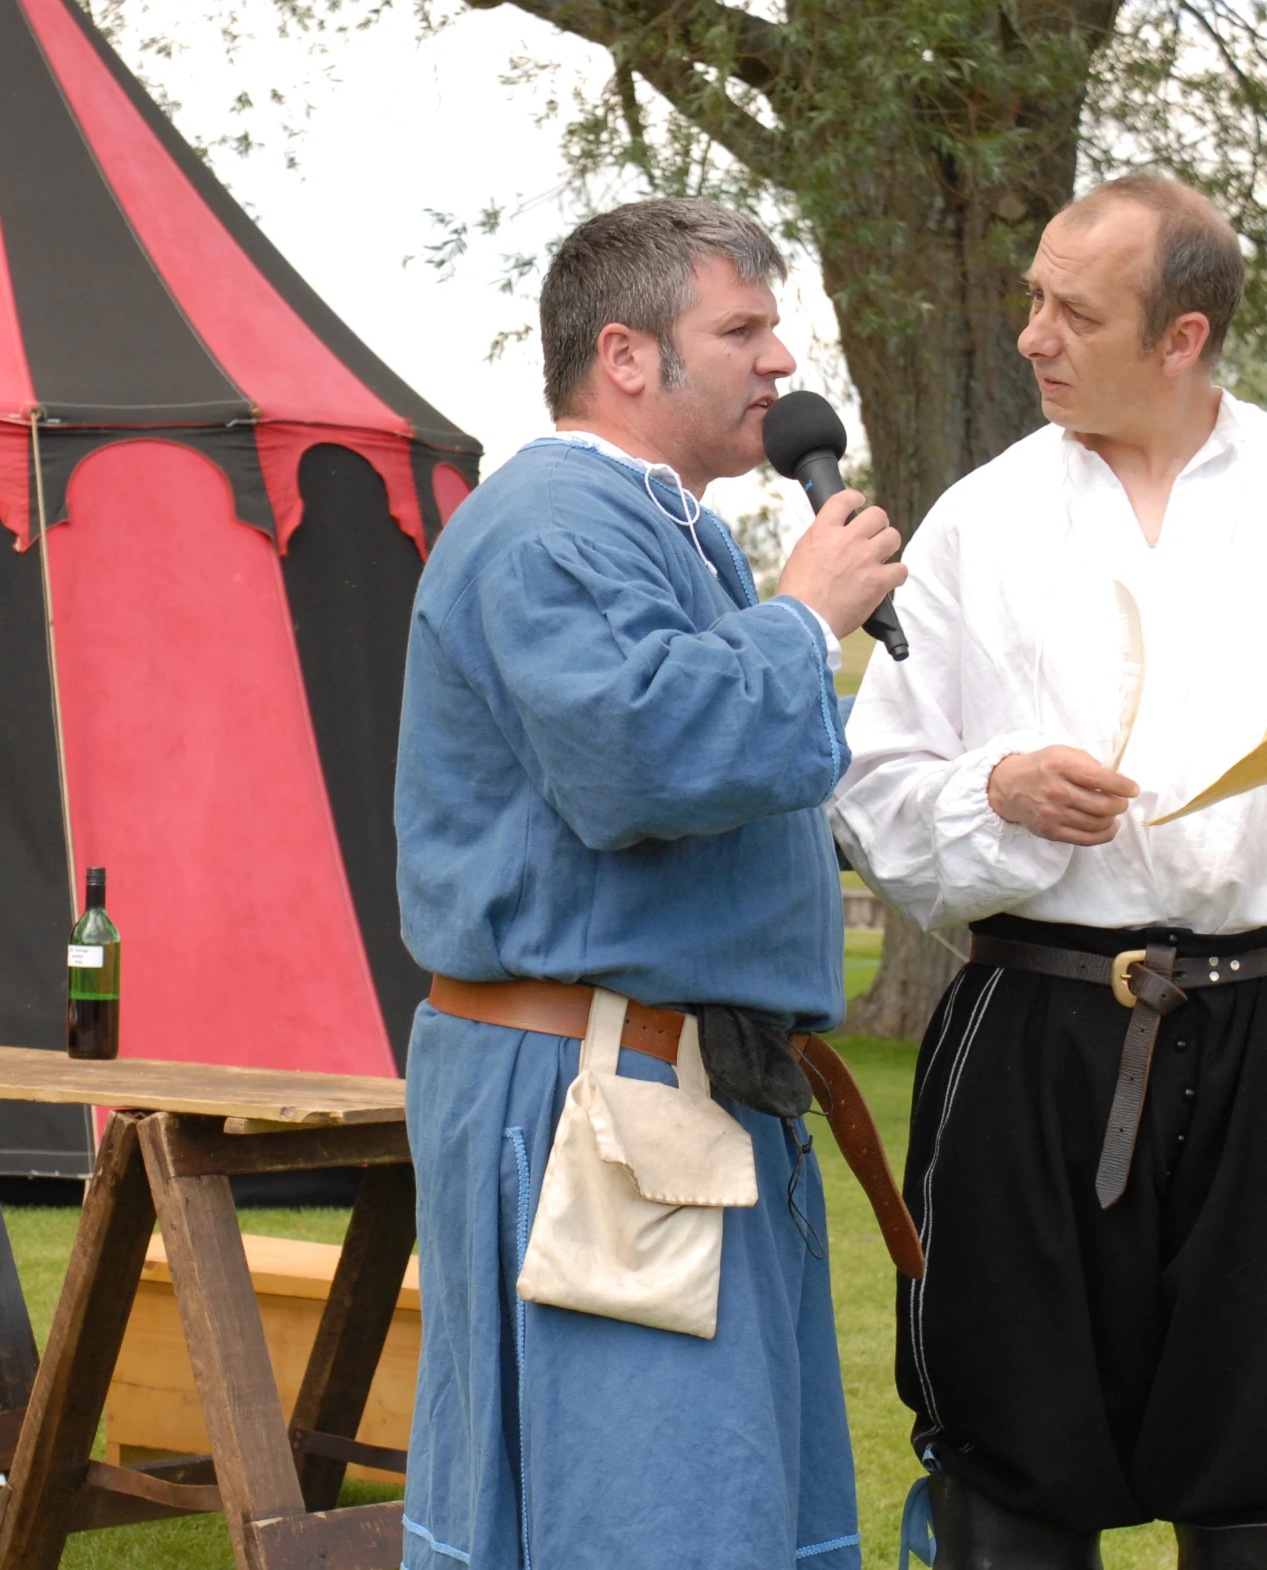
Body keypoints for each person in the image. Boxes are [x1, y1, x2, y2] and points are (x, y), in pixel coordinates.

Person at [832, 175, 1267, 1568]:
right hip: (1033, 1030)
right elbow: (875, 795)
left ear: (1180, 337)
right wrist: (992, 790)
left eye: (1075, 311)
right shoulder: (978, 520)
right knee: (1004, 1438)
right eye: (1029, 300)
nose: (1032, 337)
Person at [393, 198, 906, 1570]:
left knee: (705, 1512)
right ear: (624, 355)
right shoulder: (554, 525)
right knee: (646, 1521)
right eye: (739, 329)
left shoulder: (657, 529)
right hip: (591, 1106)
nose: (779, 360)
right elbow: (634, 757)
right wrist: (801, 619)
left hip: (667, 1095)